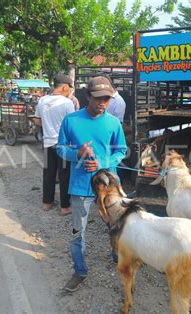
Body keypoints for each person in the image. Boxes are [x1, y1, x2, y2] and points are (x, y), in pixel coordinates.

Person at [57, 76, 127, 292]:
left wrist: (103, 162)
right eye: (98, 98)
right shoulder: (71, 121)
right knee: (78, 231)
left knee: (116, 225)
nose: (103, 103)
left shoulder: (113, 123)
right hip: (80, 187)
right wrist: (77, 152)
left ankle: (117, 256)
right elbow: (59, 148)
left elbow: (121, 151)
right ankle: (79, 270)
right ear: (87, 96)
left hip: (109, 187)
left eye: (107, 98)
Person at [33, 74, 75, 215]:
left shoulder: (42, 100)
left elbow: (37, 121)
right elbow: (71, 125)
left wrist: (48, 123)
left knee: (48, 173)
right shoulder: (67, 103)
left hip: (47, 143)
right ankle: (65, 207)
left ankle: (47, 203)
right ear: (64, 86)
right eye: (69, 88)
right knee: (64, 175)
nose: (70, 91)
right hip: (63, 145)